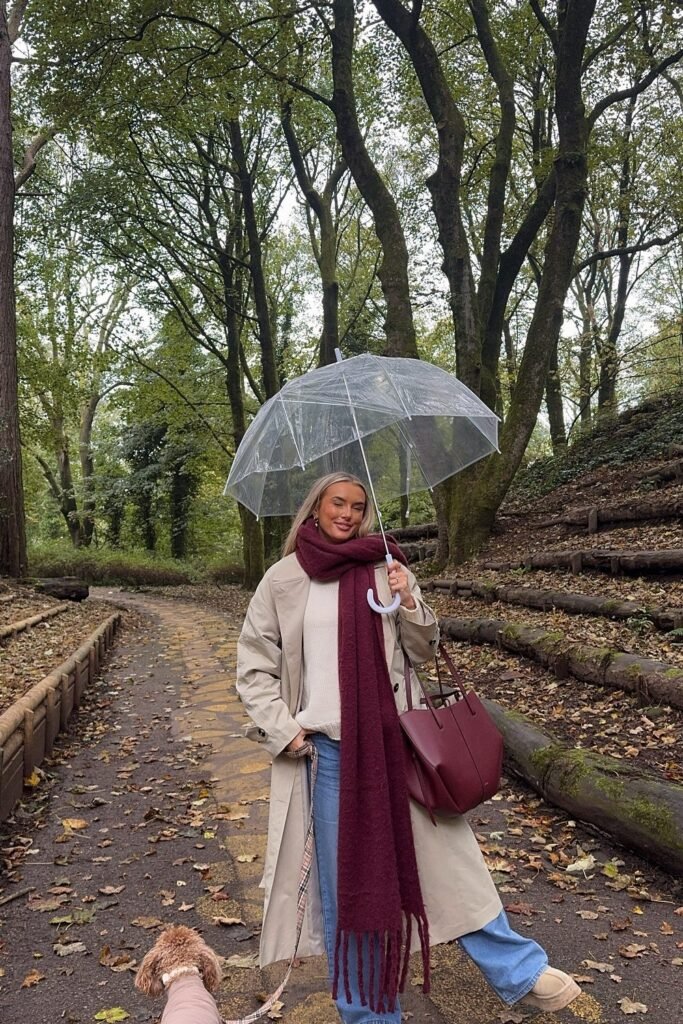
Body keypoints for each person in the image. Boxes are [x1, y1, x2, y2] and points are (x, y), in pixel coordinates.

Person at [236, 472, 581, 1023]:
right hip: (326, 758)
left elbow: (423, 652)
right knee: (352, 891)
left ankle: (520, 972)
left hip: (397, 746)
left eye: (357, 506)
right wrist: (287, 730)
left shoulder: (385, 567)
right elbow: (253, 669)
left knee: (450, 865)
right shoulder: (283, 579)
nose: (347, 515)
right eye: (336, 504)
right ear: (315, 509)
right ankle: (369, 1013)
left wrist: (408, 602)